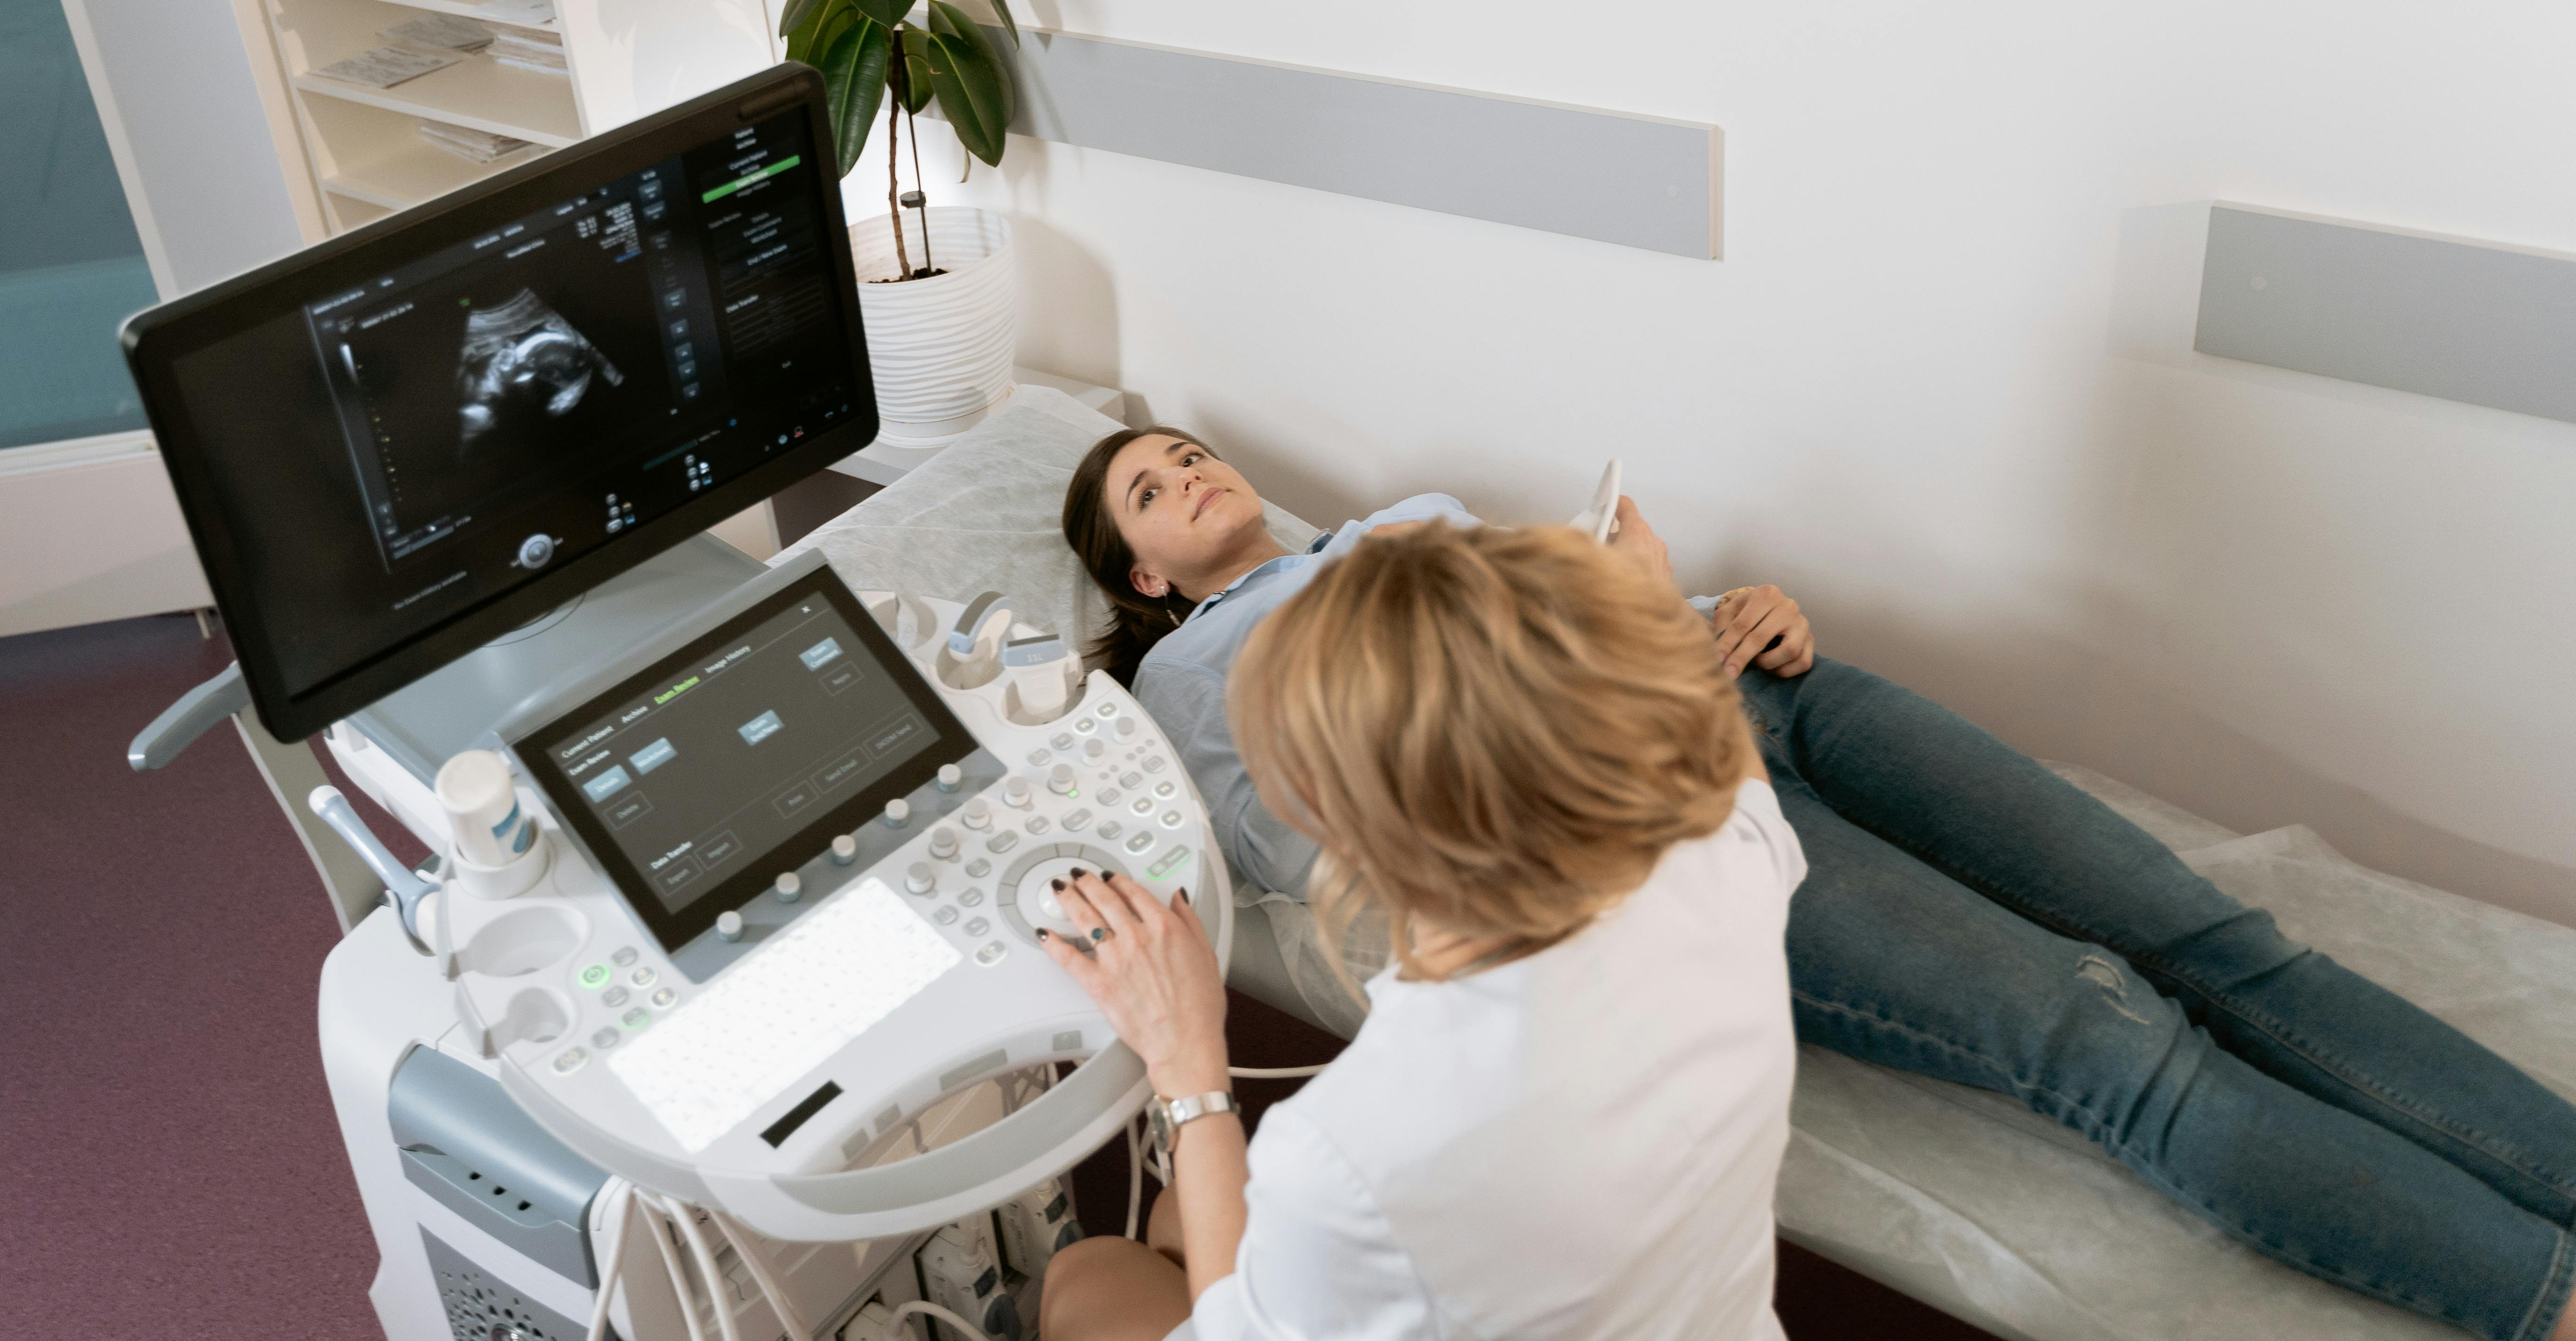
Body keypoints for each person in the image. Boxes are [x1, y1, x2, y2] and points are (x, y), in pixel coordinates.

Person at [1061, 426, 2576, 1341]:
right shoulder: (1196, 674)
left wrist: (1698, 617)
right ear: (1138, 580)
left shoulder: (1400, 534)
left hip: (1716, 711)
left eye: (1183, 447)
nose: (1186, 469)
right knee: (2110, 1035)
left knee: (2212, 935)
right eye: (1148, 483)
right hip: (1655, 775)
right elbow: (1281, 834)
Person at [1035, 519, 1803, 1341]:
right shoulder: (1720, 853)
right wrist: (1643, 605)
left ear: (1335, 820)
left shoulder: (1351, 1155)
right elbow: (1715, 733)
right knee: (1171, 1221)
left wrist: (1187, 1059)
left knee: (1090, 1275)